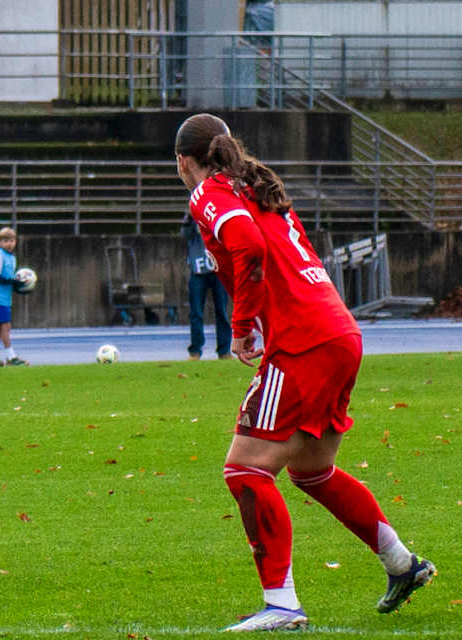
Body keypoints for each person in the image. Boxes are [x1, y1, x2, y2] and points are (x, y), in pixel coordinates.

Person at [175, 113, 435, 632]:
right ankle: (403, 565)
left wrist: (243, 325)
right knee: (312, 471)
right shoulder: (255, 183)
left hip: (304, 342)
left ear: (184, 161)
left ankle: (282, 604)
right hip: (338, 331)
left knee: (245, 469)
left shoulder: (209, 192)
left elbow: (247, 245)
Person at [180, 211, 231, 360]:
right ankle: (195, 350)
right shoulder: (191, 215)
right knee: (196, 312)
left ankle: (224, 350)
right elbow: (184, 235)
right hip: (198, 270)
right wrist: (188, 220)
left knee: (222, 311)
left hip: (218, 269)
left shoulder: (217, 212)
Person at [0, 226, 27, 367]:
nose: (9, 243)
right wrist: (12, 282)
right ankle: (11, 356)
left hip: (5, 299)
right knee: (5, 327)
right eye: (6, 241)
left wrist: (19, 286)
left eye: (12, 240)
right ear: (0, 243)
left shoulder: (12, 258)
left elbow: (10, 278)